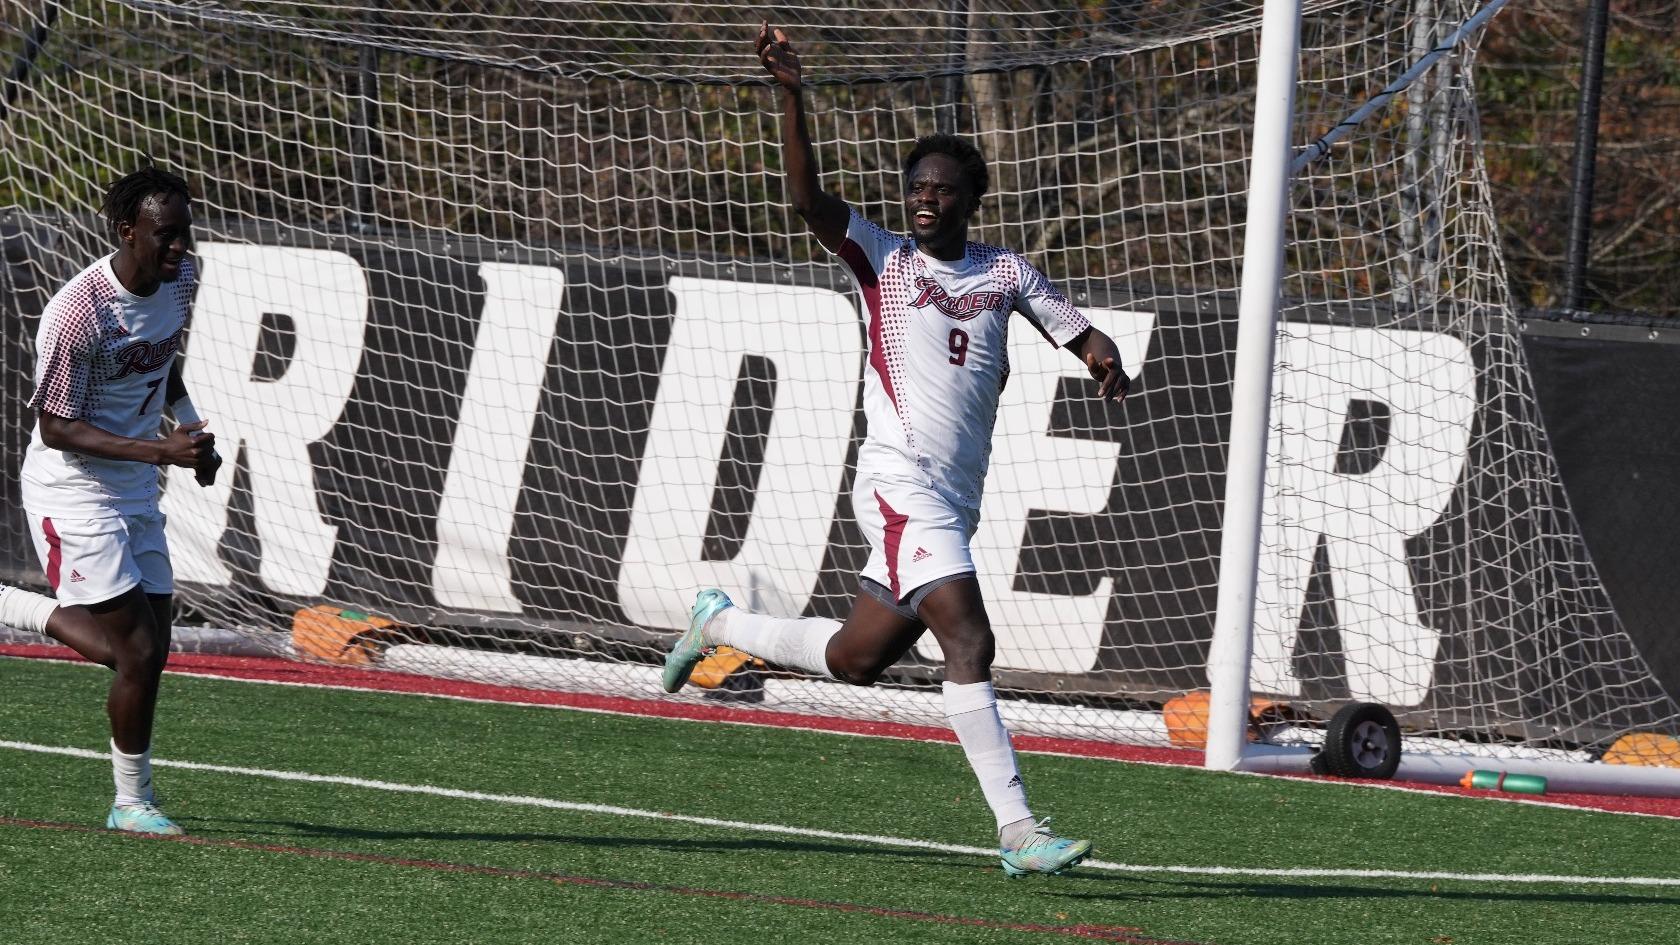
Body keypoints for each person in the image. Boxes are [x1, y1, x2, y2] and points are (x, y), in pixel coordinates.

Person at [663, 23, 1131, 878]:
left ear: (969, 199)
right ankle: (1019, 831)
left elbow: (1079, 330)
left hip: (954, 498)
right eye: (915, 187)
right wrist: (792, 96)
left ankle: (719, 622)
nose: (924, 199)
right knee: (970, 641)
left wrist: (1099, 353)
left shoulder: (1006, 273)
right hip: (897, 481)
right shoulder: (886, 261)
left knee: (858, 657)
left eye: (941, 190)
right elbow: (810, 202)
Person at [0, 165, 220, 835]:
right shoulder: (77, 310)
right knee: (136, 650)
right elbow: (56, 426)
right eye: (167, 235)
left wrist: (188, 423)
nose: (180, 248)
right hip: (74, 486)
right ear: (128, 231)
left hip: (134, 482)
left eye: (185, 233)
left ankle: (134, 798)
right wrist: (162, 452)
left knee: (155, 642)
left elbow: (162, 357)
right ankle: (130, 802)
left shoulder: (179, 279)